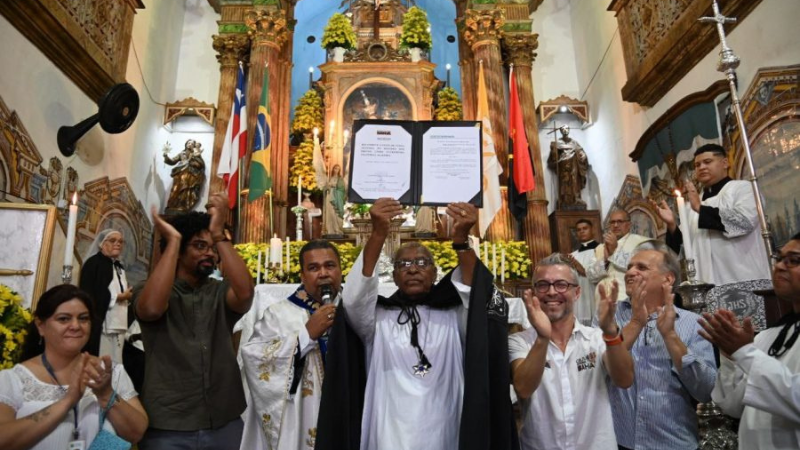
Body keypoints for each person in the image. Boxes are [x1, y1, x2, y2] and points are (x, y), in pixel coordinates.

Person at [316, 197, 518, 450]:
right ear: (394, 275)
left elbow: (477, 294)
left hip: (445, 425)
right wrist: (378, 233)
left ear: (435, 273)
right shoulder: (376, 318)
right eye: (404, 264)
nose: (413, 269)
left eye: (422, 263)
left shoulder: (454, 313)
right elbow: (356, 296)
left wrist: (461, 240)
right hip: (389, 428)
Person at [133, 192, 254, 450]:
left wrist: (219, 234)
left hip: (223, 419)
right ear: (177, 251)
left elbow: (245, 294)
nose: (210, 253)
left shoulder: (218, 292)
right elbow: (152, 309)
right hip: (169, 422)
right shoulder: (150, 289)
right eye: (200, 246)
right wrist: (174, 240)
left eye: (213, 248)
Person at [509, 254, 634, 450]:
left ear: (577, 293)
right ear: (534, 293)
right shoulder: (520, 342)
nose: (551, 292)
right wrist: (543, 338)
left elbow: (625, 380)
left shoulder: (596, 339)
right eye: (542, 285)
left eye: (561, 284)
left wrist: (610, 333)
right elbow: (523, 388)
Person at [0, 284, 148, 449]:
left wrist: (106, 394)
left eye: (83, 318)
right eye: (64, 319)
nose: (76, 326)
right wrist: (67, 402)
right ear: (40, 326)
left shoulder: (110, 372)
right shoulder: (13, 379)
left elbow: (136, 433)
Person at [608, 241, 716, 449]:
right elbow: (598, 372)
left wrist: (670, 336)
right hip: (619, 441)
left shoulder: (692, 323)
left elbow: (706, 390)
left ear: (668, 279)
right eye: (629, 266)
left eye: (641, 267)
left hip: (673, 441)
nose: (630, 272)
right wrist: (636, 323)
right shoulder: (609, 317)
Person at [700, 232, 800, 449]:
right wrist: (730, 356)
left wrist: (744, 352)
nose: (781, 266)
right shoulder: (769, 336)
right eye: (779, 258)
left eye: (793, 260)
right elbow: (733, 406)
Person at [239, 240, 342, 450]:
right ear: (303, 276)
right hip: (302, 419)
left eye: (330, 265)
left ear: (340, 270)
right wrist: (305, 335)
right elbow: (253, 357)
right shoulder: (278, 314)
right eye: (313, 268)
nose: (323, 273)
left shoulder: (354, 311)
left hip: (346, 409)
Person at [658, 143, 771, 284]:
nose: (702, 167)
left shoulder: (742, 189)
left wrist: (700, 209)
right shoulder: (692, 205)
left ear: (724, 163)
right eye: (697, 165)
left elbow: (744, 222)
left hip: (744, 277)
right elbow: (684, 247)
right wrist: (672, 225)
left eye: (707, 162)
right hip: (706, 283)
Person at [80, 229, 133, 362]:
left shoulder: (119, 266)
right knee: (103, 360)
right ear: (102, 244)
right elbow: (90, 292)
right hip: (103, 322)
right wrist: (119, 297)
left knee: (117, 362)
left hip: (119, 320)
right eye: (113, 240)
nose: (118, 244)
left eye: (120, 241)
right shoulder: (94, 264)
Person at [587, 209, 650, 301]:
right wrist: (605, 261)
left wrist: (614, 252)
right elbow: (591, 276)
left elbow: (641, 269)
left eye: (620, 221)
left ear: (628, 225)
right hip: (602, 302)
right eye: (612, 222)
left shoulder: (640, 243)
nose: (616, 225)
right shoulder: (600, 248)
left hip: (627, 301)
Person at [547, 125, 589, 210]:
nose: (565, 130)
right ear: (561, 131)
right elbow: (553, 158)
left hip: (574, 164)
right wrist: (554, 151)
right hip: (564, 166)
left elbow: (580, 151)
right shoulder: (557, 143)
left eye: (567, 129)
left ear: (569, 130)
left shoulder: (574, 142)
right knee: (565, 183)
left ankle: (576, 198)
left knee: (574, 181)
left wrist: (583, 155)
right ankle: (565, 199)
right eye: (563, 129)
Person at [565, 218, 598, 324]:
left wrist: (581, 268)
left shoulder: (602, 250)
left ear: (592, 230)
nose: (582, 231)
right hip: (579, 297)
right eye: (579, 230)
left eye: (585, 228)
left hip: (594, 293)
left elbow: (600, 274)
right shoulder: (573, 255)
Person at [164, 139, 206, 214]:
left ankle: (182, 206)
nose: (189, 144)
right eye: (188, 143)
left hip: (189, 174)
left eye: (192, 144)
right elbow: (172, 161)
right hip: (179, 172)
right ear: (186, 144)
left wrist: (194, 161)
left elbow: (201, 164)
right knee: (175, 189)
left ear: (193, 146)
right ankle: (172, 205)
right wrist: (166, 157)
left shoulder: (196, 154)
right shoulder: (182, 153)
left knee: (185, 189)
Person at [321, 164, 345, 237]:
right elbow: (325, 188)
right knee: (329, 213)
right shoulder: (330, 178)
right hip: (329, 197)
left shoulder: (340, 179)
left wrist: (334, 186)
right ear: (333, 169)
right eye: (335, 168)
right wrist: (327, 187)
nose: (336, 170)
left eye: (338, 169)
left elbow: (342, 190)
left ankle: (337, 230)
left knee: (335, 214)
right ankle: (329, 230)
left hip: (336, 198)